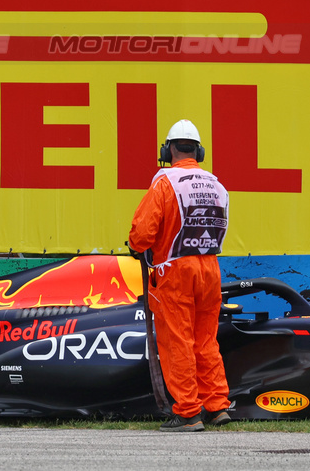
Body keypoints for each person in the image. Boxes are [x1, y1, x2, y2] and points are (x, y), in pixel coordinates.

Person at [128, 119, 232, 433]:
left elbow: (141, 235)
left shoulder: (164, 182)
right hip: (209, 269)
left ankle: (188, 413)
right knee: (206, 341)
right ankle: (216, 406)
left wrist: (136, 246)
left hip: (175, 271)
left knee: (178, 342)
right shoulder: (216, 184)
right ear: (198, 151)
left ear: (169, 149)